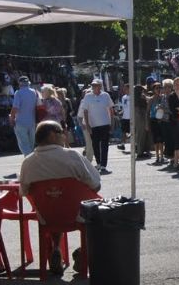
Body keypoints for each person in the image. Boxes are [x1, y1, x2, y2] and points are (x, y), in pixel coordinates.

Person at [19, 120, 102, 274]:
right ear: (52, 135)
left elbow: (23, 191)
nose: (64, 136)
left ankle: (55, 247)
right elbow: (95, 184)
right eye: (61, 132)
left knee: (54, 201)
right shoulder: (71, 156)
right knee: (103, 209)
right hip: (76, 213)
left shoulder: (28, 162)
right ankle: (84, 252)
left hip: (47, 215)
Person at [79, 78, 115, 172]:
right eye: (93, 85)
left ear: (100, 86)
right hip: (93, 125)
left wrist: (112, 122)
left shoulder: (106, 95)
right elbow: (85, 111)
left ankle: (103, 165)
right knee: (95, 145)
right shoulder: (88, 96)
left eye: (96, 85)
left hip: (105, 123)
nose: (94, 87)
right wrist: (87, 125)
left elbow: (111, 109)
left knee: (104, 145)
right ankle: (98, 163)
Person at [9, 76, 39, 156]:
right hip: (32, 121)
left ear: (20, 84)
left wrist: (11, 118)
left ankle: (29, 160)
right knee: (31, 143)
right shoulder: (34, 92)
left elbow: (15, 107)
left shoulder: (18, 93)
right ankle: (32, 159)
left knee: (24, 143)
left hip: (21, 121)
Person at [149, 82, 168, 165]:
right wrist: (147, 124)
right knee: (156, 140)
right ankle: (157, 156)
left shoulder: (163, 98)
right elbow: (147, 112)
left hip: (162, 120)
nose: (158, 90)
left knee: (162, 140)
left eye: (160, 88)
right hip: (153, 120)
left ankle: (162, 156)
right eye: (156, 88)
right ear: (153, 90)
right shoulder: (151, 99)